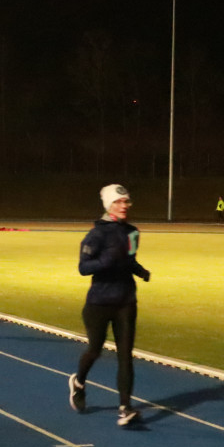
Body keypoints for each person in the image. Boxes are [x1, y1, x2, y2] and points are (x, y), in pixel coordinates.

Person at [69, 183, 151, 427]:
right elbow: (84, 268)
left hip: (126, 300)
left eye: (126, 202)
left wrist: (140, 271)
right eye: (119, 202)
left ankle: (125, 408)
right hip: (99, 302)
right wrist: (105, 260)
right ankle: (79, 382)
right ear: (109, 205)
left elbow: (129, 260)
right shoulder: (97, 234)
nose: (124, 206)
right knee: (95, 349)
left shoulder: (133, 232)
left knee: (126, 356)